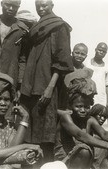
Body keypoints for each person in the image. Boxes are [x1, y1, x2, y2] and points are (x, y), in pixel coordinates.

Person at [20, 0, 74, 164]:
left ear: (52, 6)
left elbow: (62, 61)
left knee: (45, 135)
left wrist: (49, 88)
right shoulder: (36, 29)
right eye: (38, 6)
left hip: (46, 86)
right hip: (30, 86)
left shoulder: (59, 26)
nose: (41, 9)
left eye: (45, 5)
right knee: (29, 132)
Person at [54, 77, 108, 169]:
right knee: (85, 150)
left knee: (100, 150)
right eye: (78, 106)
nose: (82, 110)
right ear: (70, 105)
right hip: (63, 159)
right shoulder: (66, 118)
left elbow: (104, 133)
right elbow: (80, 135)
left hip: (81, 158)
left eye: (86, 107)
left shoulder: (89, 119)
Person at [85, 42, 108, 108]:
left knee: (100, 116)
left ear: (106, 53)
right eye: (99, 50)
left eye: (104, 51)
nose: (101, 52)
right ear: (95, 49)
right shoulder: (87, 63)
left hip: (101, 97)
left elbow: (107, 85)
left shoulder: (107, 67)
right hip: (87, 95)